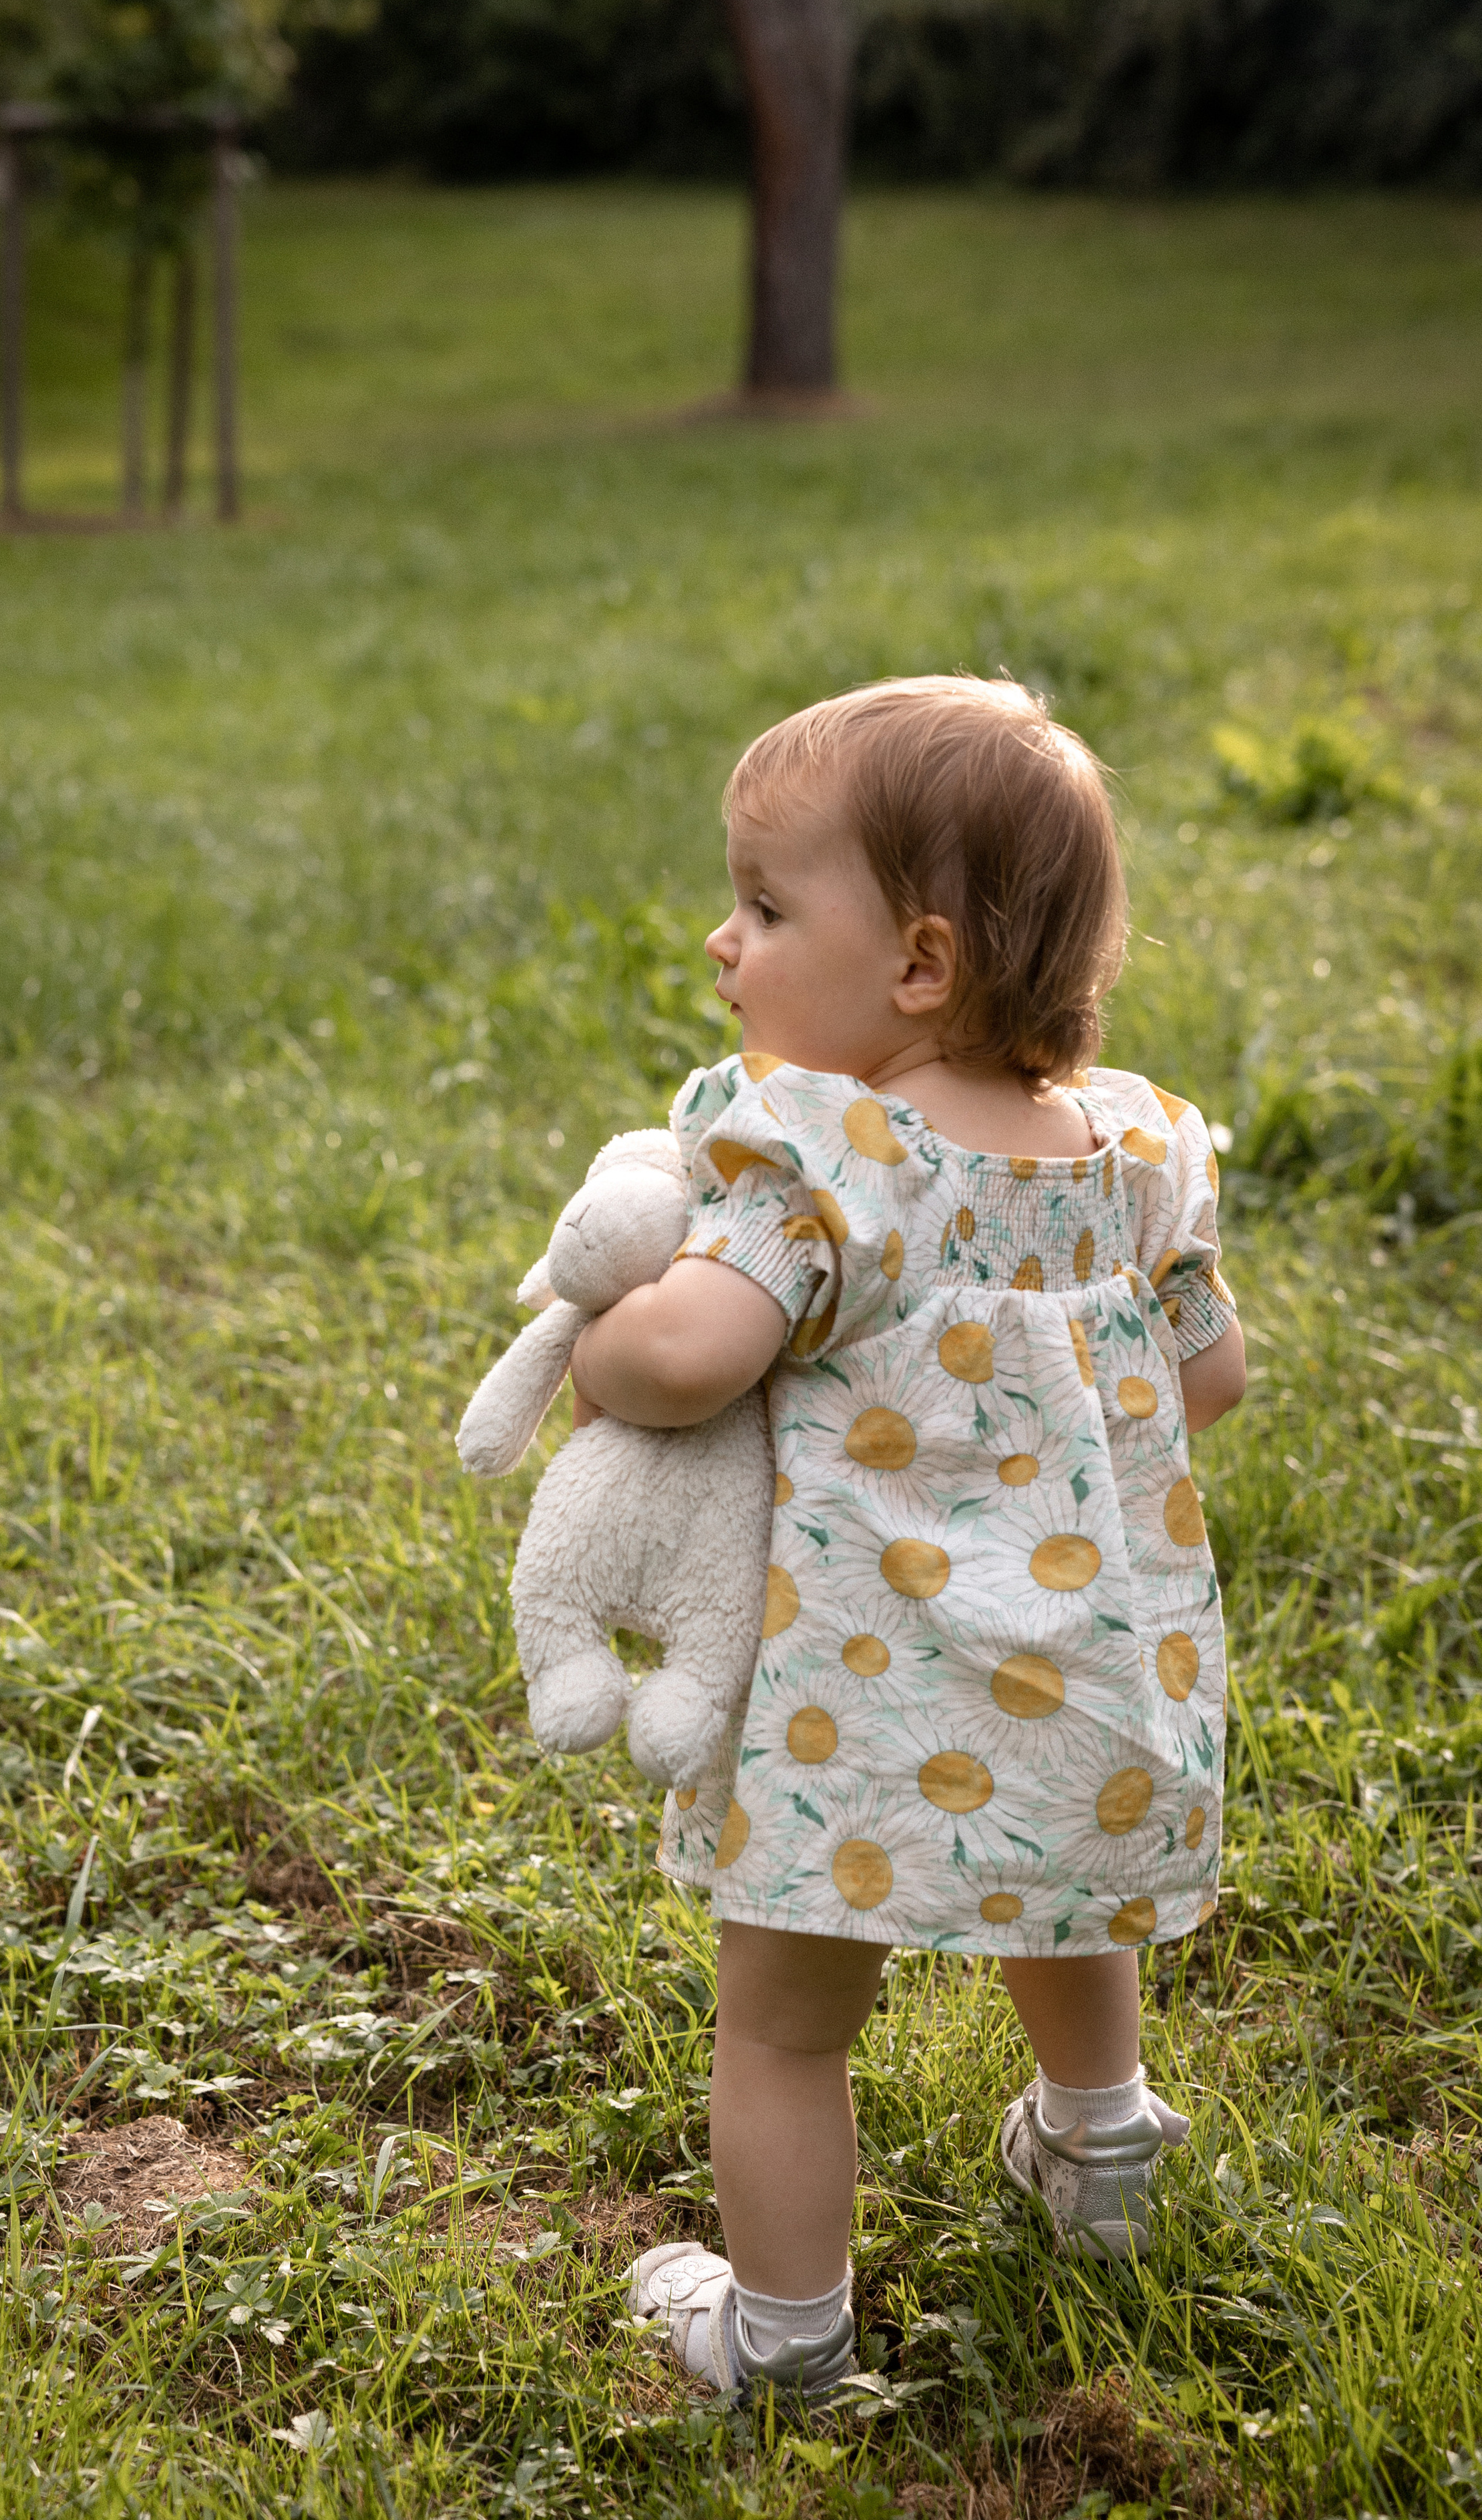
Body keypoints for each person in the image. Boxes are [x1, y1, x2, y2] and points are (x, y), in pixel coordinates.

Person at [566, 675, 1247, 2398]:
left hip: (856, 1717)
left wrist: (602, 1339)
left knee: (786, 2030)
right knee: (1073, 1921)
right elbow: (1217, 1376)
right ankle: (1098, 2158)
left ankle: (781, 2342)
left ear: (920, 967)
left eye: (769, 905)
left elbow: (697, 1352)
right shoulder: (1140, 1151)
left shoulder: (831, 1154)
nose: (726, 941)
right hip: (1101, 1687)